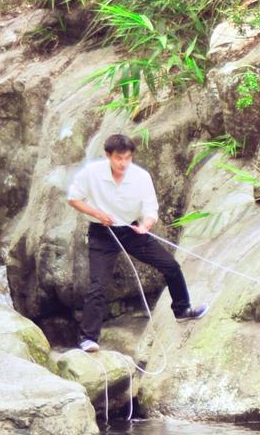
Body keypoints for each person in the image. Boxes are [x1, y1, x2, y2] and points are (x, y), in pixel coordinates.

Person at [66, 134, 205, 352]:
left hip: (132, 230)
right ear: (108, 156)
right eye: (118, 159)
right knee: (98, 285)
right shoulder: (92, 173)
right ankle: (88, 338)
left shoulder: (140, 177)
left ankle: (182, 310)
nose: (123, 164)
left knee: (170, 265)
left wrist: (146, 226)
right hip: (102, 233)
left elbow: (150, 209)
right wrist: (97, 213)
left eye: (127, 158)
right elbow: (73, 198)